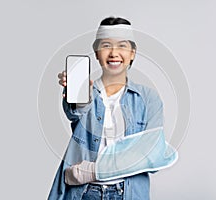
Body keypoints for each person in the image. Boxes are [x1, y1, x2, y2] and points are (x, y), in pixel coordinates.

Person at [48, 17, 177, 200]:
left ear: (132, 53)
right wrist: (75, 93)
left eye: (122, 46)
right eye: (106, 45)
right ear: (96, 52)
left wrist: (92, 171)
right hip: (85, 193)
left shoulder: (148, 99)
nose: (114, 53)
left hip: (129, 193)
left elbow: (153, 155)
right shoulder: (87, 94)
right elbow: (75, 112)